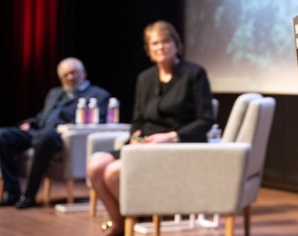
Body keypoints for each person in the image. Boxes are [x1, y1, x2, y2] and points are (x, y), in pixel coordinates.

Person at [87, 20, 215, 236]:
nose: (160, 47)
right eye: (155, 43)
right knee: (96, 165)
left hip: (177, 145)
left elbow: (206, 119)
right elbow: (137, 119)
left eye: (166, 41)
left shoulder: (195, 73)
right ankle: (119, 222)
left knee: (113, 172)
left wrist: (171, 137)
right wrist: (135, 137)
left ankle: (133, 218)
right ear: (148, 48)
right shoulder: (144, 78)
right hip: (145, 144)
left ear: (176, 44)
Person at [0, 57, 111, 209]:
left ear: (84, 73)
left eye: (73, 73)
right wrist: (29, 123)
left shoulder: (98, 95)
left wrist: (69, 126)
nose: (70, 77)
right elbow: (43, 116)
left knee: (46, 137)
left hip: (59, 137)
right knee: (1, 135)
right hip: (38, 131)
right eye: (65, 75)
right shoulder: (55, 93)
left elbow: (98, 121)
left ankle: (29, 194)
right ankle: (12, 192)